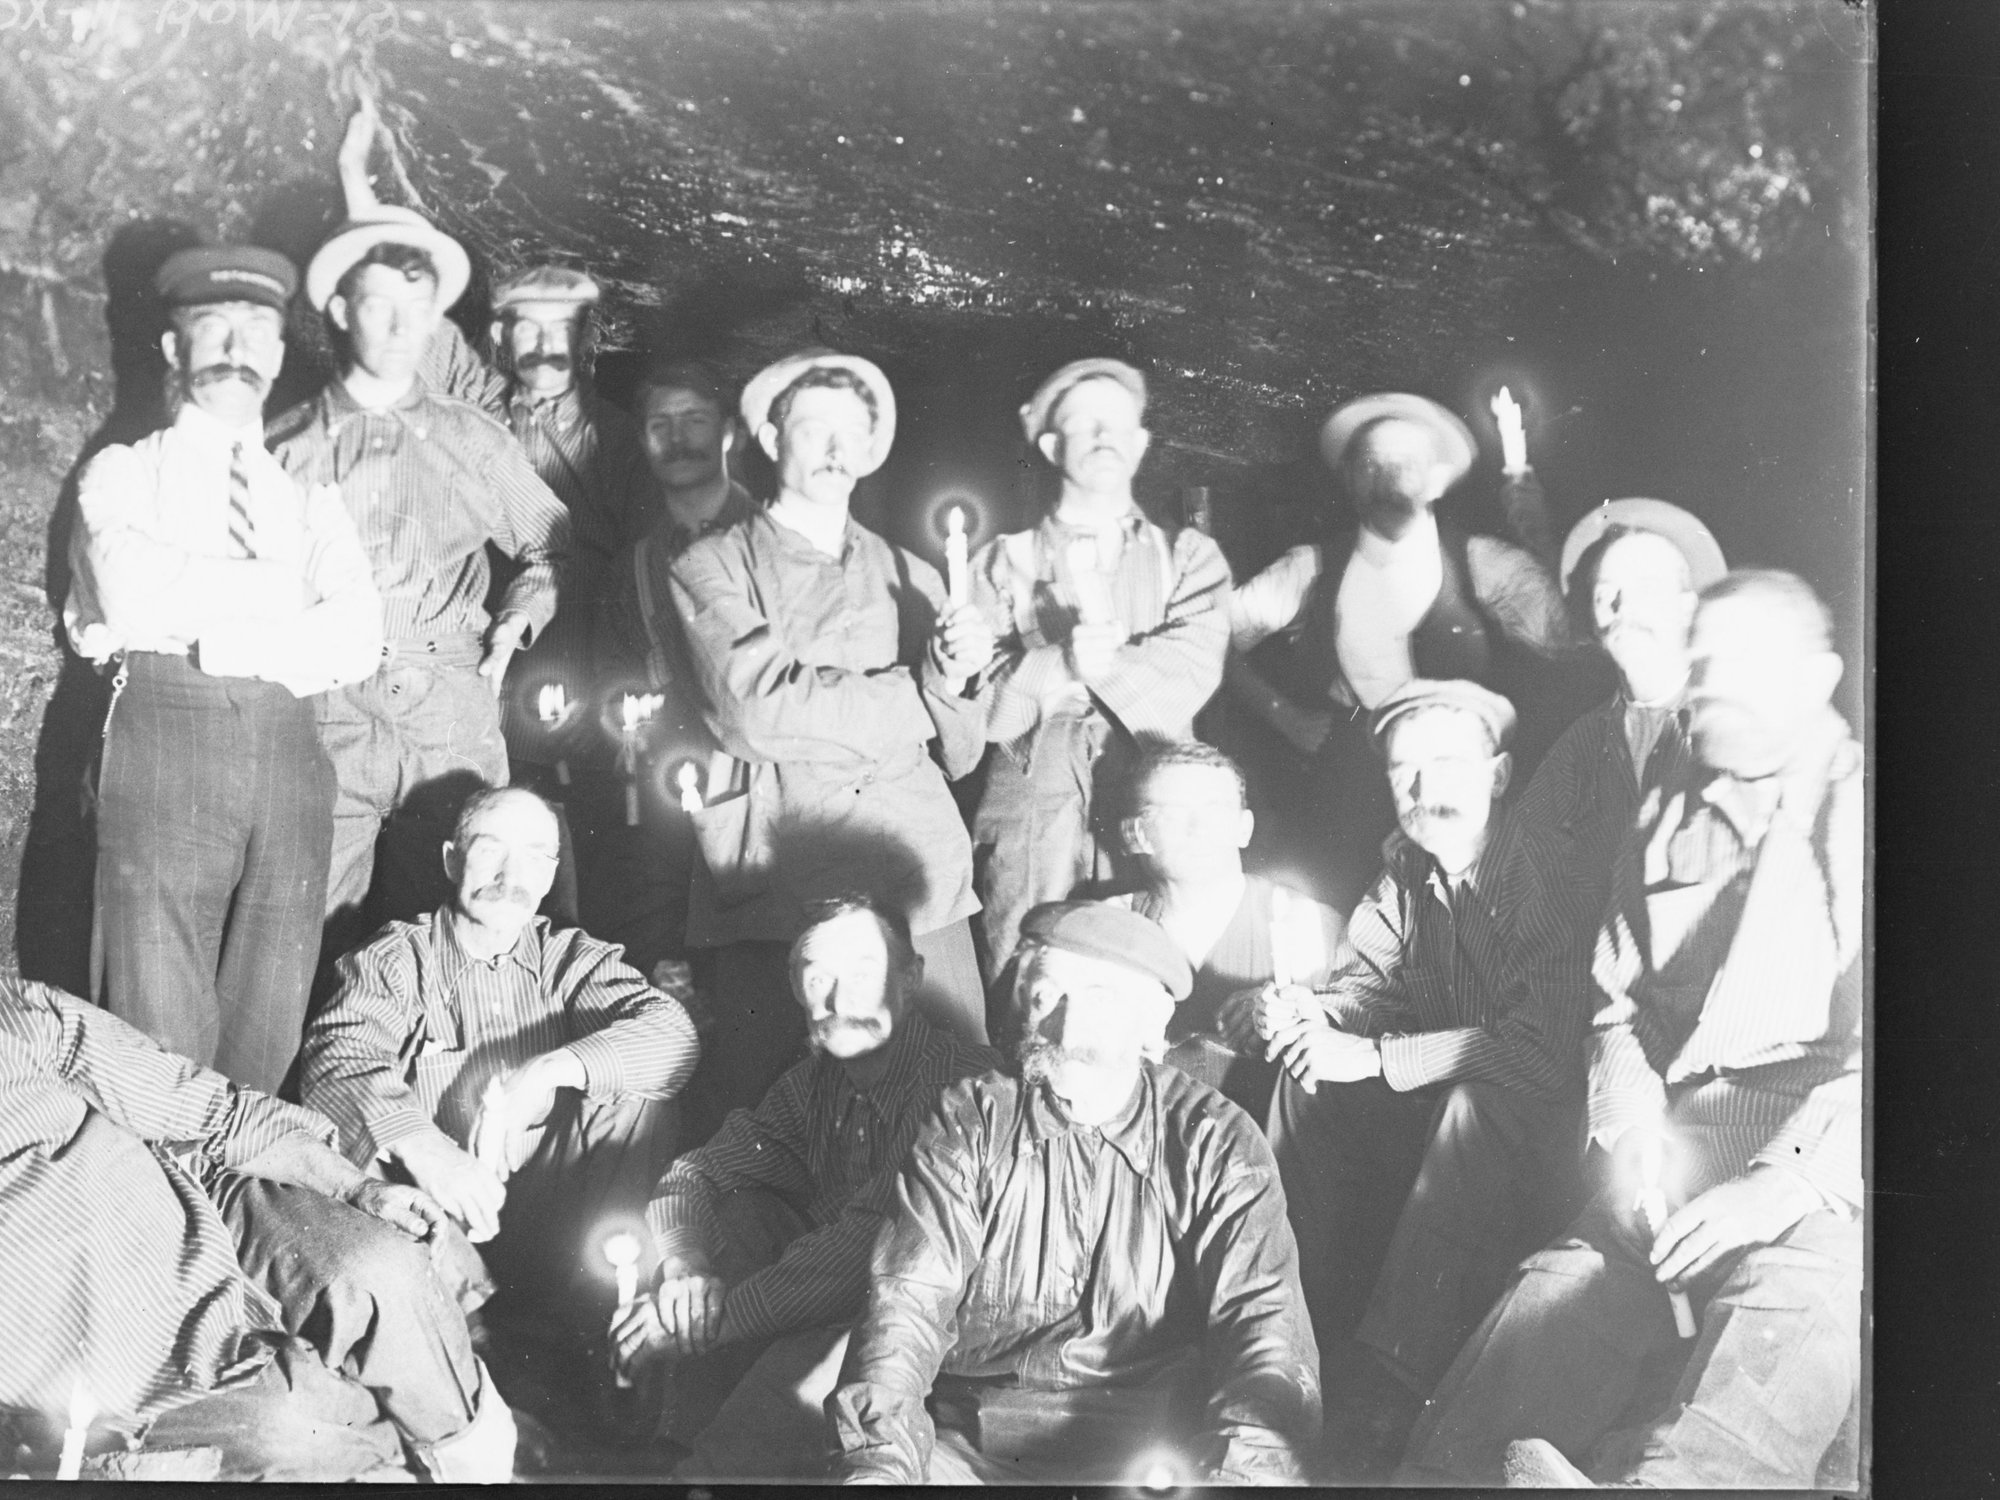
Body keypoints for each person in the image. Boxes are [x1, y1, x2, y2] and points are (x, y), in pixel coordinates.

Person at [1401, 571, 1862, 1490]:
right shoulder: (1668, 801)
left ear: (1819, 678)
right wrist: (1625, 1128)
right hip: (1676, 1164)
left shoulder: (1873, 813)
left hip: (1833, 1182)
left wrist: (1782, 1182)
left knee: (1786, 1322)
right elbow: (1617, 1004)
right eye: (1703, 659)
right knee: (1533, 1324)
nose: (1713, 681)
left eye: (1746, 662)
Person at [827, 900, 1322, 1485]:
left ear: (1154, 1020)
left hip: (1159, 1459)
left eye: (1099, 998)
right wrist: (876, 1466)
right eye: (1045, 996)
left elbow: (1265, 1338)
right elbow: (904, 1307)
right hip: (972, 1455)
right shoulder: (971, 1119)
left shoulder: (1217, 1140)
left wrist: (1240, 1481)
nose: (1065, 1026)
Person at [64, 244, 383, 1094]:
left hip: (290, 750)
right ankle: (163, 1209)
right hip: (168, 734)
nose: (237, 350)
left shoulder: (308, 498)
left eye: (257, 333)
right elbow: (131, 598)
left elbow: (356, 637)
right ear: (175, 351)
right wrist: (284, 593)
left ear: (278, 357)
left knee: (270, 1010)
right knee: (155, 1014)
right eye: (214, 329)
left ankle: (239, 1205)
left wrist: (224, 632)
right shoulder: (125, 471)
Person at [1259, 678, 1590, 1478]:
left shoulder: (1536, 869)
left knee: (1478, 1102)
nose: (1422, 787)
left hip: (1545, 1131)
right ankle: (1284, 1328)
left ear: (1500, 776)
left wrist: (1373, 1056)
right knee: (1305, 1080)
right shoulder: (1409, 868)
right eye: (1404, 770)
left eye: (1447, 763)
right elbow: (1373, 982)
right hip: (1441, 1109)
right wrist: (1317, 1017)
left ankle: (1388, 1385)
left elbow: (1541, 1056)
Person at [0, 977, 513, 1482]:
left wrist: (358, 1189)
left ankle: (475, 1461)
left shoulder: (14, 1015)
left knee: (383, 1267)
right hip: (125, 1372)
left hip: (199, 1213)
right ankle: (406, 1461)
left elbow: (210, 1110)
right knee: (293, 1420)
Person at [667, 348, 995, 1129]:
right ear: (773, 439)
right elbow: (756, 713)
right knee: (774, 1123)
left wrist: (956, 680)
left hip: (922, 879)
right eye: (815, 429)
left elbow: (962, 752)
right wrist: (920, 692)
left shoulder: (914, 575)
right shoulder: (709, 565)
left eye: (853, 433)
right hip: (780, 878)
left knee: (960, 1105)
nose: (834, 450)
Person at [607, 894, 999, 1479]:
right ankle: (681, 1447)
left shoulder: (957, 1083)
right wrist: (684, 1265)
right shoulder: (813, 1084)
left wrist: (703, 1324)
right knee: (738, 1214)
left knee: (809, 1366)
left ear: (911, 979)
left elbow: (870, 1248)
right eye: (817, 977)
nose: (837, 1000)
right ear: (795, 986)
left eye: (864, 974)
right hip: (842, 1305)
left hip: (944, 1327)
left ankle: (702, 1468)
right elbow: (695, 1173)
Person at [268, 204, 572, 958]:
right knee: (308, 935)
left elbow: (553, 546)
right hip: (325, 711)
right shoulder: (283, 447)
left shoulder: (475, 439)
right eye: (380, 306)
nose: (402, 330)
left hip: (449, 712)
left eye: (419, 310)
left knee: (460, 932)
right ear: (340, 309)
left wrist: (515, 625)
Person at [299, 786, 700, 1332]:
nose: (512, 873)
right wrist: (428, 1150)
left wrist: (542, 1075)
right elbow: (338, 1058)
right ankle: (469, 1338)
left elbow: (674, 1036)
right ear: (451, 859)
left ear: (552, 873)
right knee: (354, 1137)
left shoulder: (571, 958)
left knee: (641, 1093)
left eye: (535, 855)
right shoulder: (392, 960)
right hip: (441, 1225)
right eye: (490, 848)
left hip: (556, 1214)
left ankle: (599, 1318)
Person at [1226, 393, 1581, 912]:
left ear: (1437, 480)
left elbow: (1565, 636)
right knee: (1347, 907)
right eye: (1372, 463)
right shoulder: (1312, 568)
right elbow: (1209, 637)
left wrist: (1540, 533)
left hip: (1458, 775)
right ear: (1349, 479)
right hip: (1350, 778)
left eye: (1407, 463)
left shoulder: (1483, 562)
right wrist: (1283, 715)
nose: (1389, 476)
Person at [968, 358, 1232, 975]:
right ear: (1053, 446)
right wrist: (1057, 662)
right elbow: (981, 711)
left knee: (1148, 977)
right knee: (1023, 976)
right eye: (1084, 426)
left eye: (1117, 425)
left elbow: (1191, 672)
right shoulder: (999, 565)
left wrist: (1095, 667)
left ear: (1141, 443)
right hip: (1035, 809)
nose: (1104, 437)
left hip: (1151, 792)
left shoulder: (1188, 557)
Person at [588, 358, 757, 976]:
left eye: (695, 419)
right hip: (670, 777)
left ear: (729, 434)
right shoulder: (633, 565)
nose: (678, 437)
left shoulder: (776, 539)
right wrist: (626, 708)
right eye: (661, 424)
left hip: (762, 776)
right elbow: (613, 678)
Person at [1513, 498, 1728, 925]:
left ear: (1689, 605)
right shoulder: (1574, 746)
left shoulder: (1732, 730)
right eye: (1605, 593)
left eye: (1646, 587)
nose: (1622, 609)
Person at [1106, 740, 1347, 1120]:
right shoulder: (1109, 929)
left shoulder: (1304, 922)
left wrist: (1289, 1012)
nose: (1197, 828)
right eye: (1172, 813)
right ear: (1135, 834)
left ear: (1243, 827)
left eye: (1215, 810)